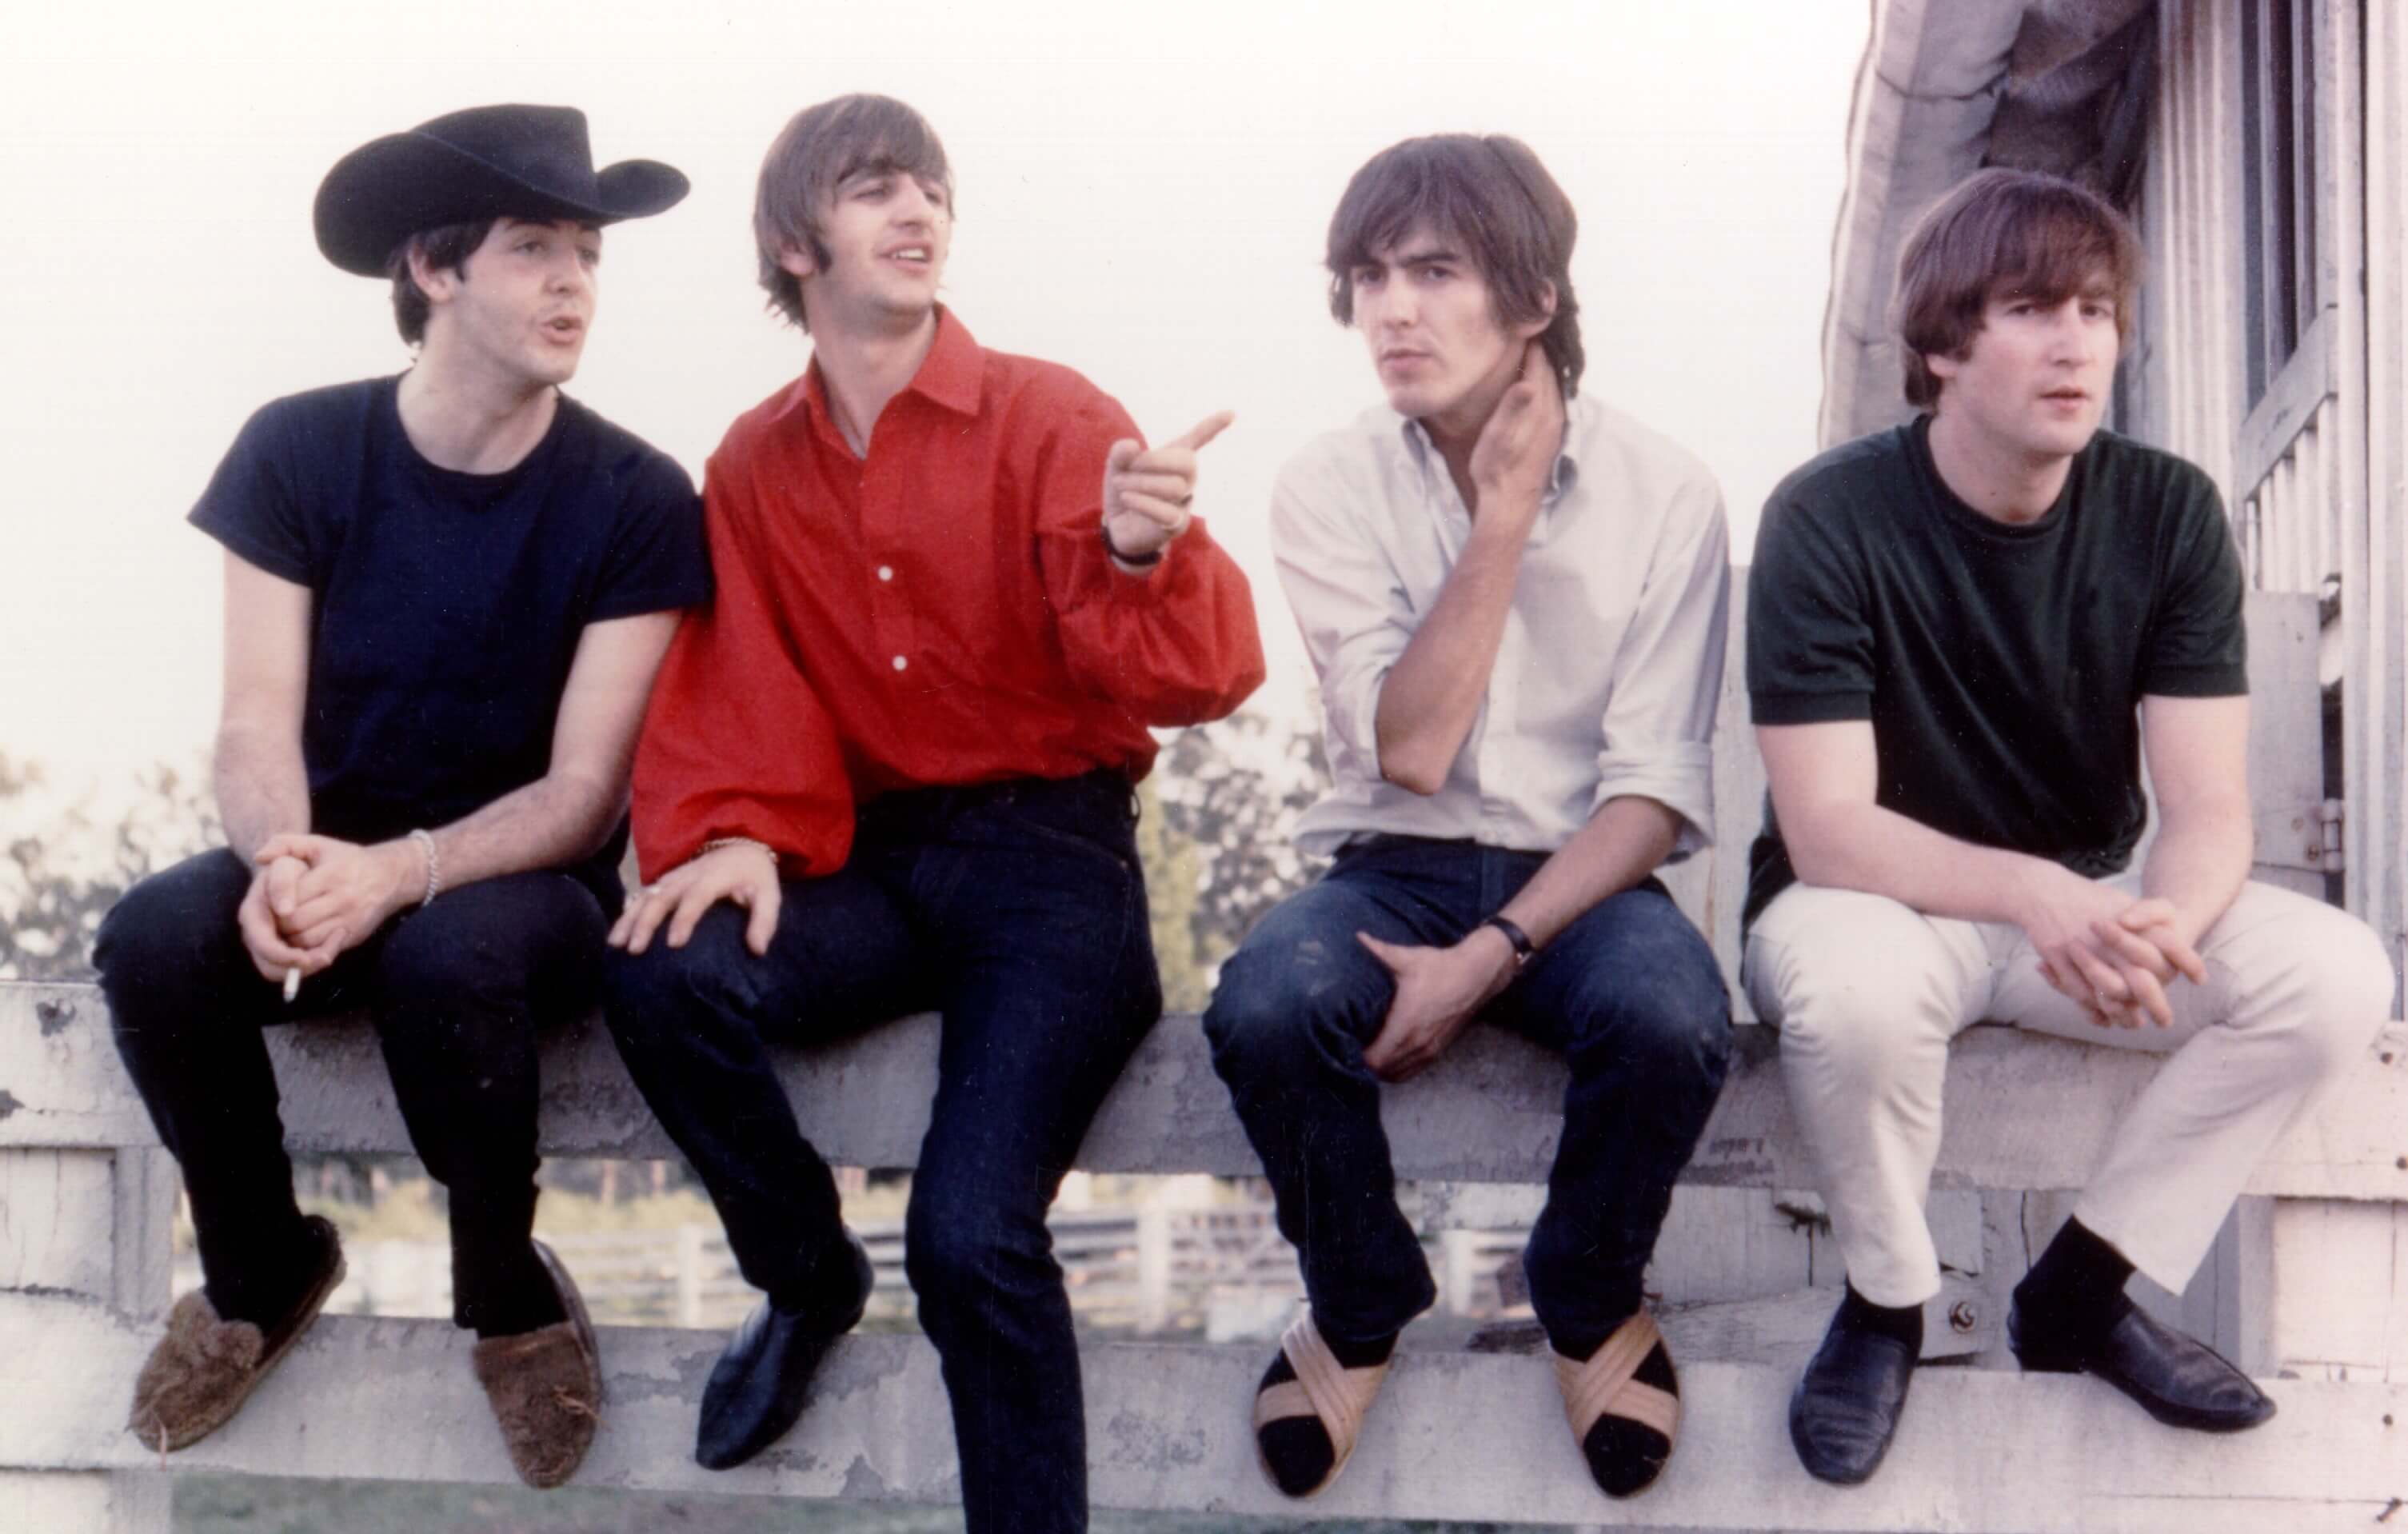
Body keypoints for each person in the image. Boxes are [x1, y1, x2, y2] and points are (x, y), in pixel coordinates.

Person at [599, 94, 1264, 1532]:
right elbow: (745, 674)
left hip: (1054, 867)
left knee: (968, 1236)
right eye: (875, 188)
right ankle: (805, 1279)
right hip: (876, 862)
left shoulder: (1056, 416)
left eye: (933, 189)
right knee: (657, 963)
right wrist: (735, 832)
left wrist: (1146, 555)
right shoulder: (755, 463)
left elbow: (1208, 676)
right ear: (794, 246)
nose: (918, 212)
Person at [1746, 166, 2395, 1487]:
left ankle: (2082, 1291)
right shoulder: (1828, 515)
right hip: (1880, 907)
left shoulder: (2164, 511)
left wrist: (2169, 917)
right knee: (1852, 992)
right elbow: (1829, 834)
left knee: (2336, 977)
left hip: (2080, 912)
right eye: (2032, 308)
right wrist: (2042, 894)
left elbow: (2210, 806)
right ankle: (1886, 1303)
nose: (2076, 342)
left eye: (2097, 310)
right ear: (1940, 345)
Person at [92, 105, 707, 1489]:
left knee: (449, 952)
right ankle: (260, 1267)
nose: (574, 286)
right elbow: (253, 722)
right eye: (535, 247)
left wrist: (399, 870)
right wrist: (280, 861)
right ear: (434, 271)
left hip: (519, 894)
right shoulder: (298, 451)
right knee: (152, 936)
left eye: (590, 254)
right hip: (326, 851)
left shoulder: (637, 495)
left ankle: (504, 1288)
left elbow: (584, 789)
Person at [1201, 133, 1734, 1503]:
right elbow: (1417, 748)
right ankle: (1362, 1291)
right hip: (1392, 866)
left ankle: (1585, 1284)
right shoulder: (1331, 481)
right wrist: (1499, 522)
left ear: (1535, 299)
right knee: (1266, 1000)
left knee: (1674, 1015)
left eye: (1435, 272)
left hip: (1585, 878)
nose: (1391, 310)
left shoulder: (1665, 489)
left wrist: (1495, 950)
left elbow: (1653, 794)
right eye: (1369, 276)